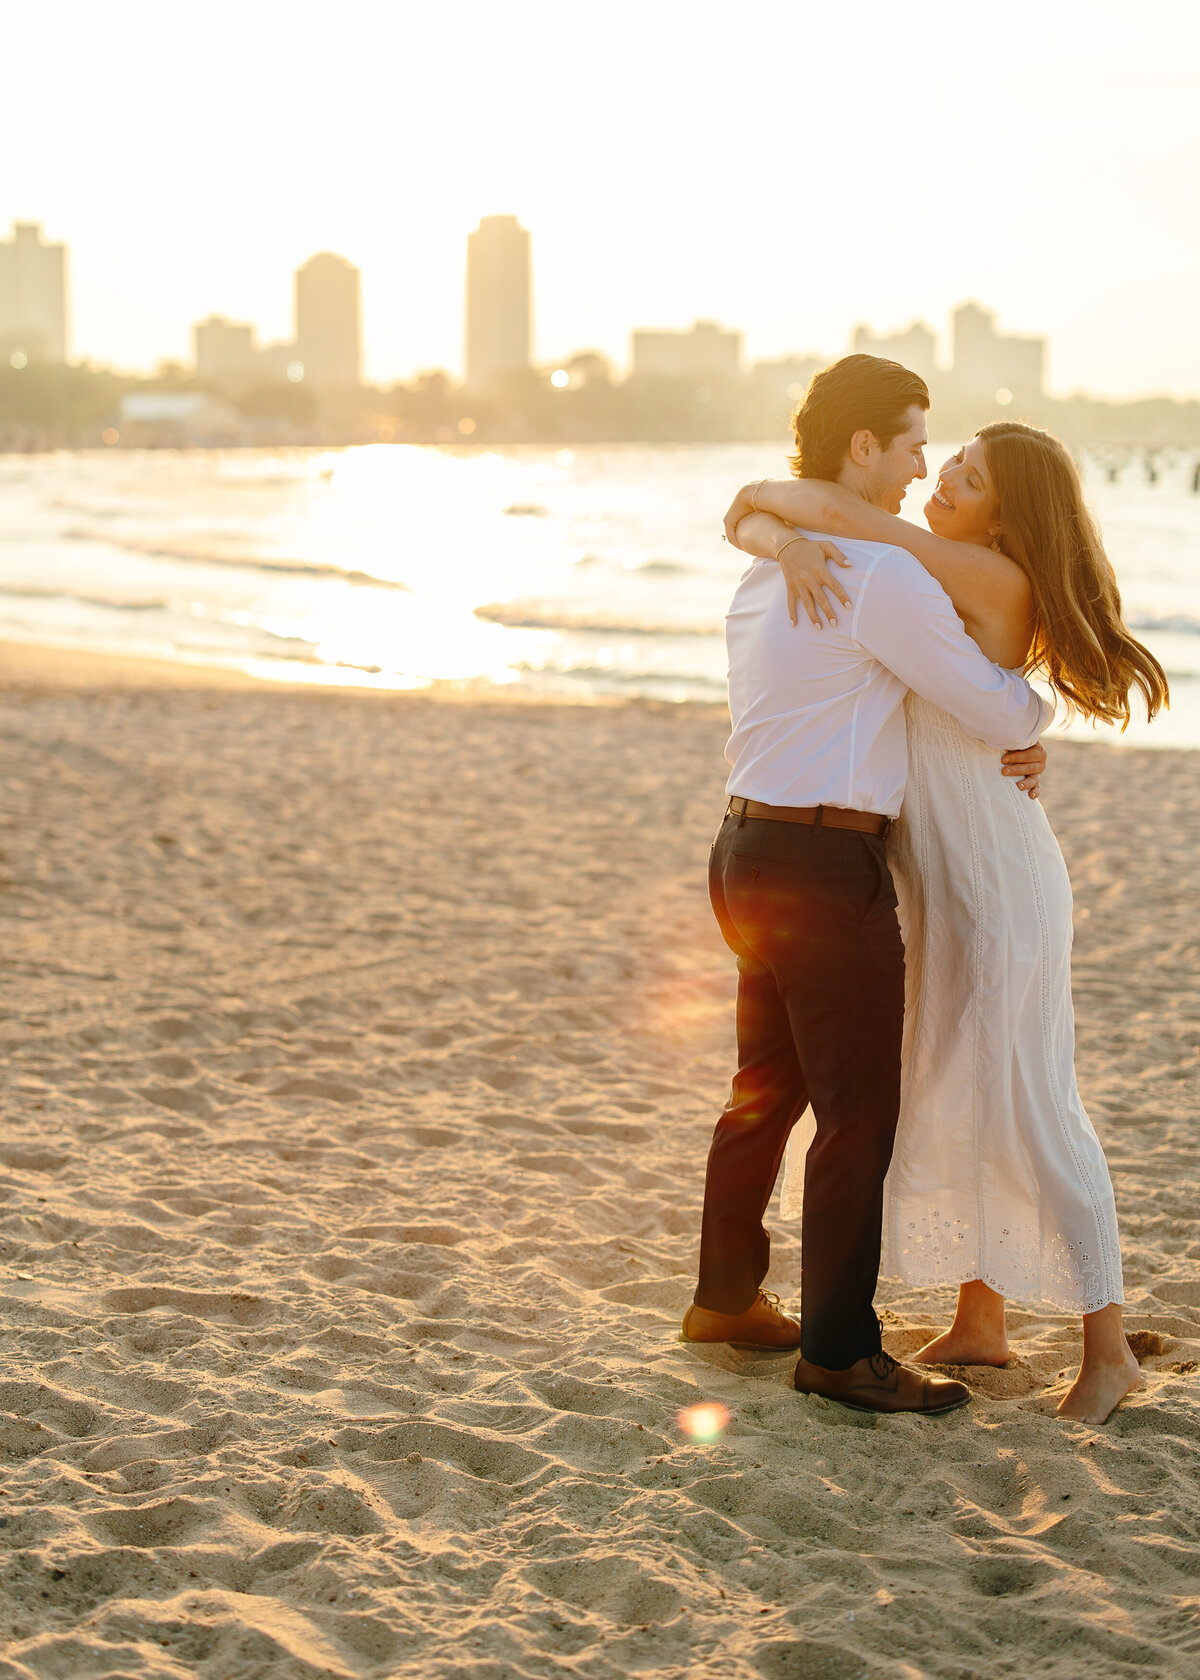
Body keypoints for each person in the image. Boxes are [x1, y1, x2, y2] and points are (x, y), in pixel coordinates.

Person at [723, 416, 1168, 1425]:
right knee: (965, 1093)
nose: (942, 481)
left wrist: (776, 515)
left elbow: (827, 507)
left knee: (1035, 1105)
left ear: (1010, 515)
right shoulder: (949, 576)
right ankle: (982, 1321)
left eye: (966, 477)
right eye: (948, 463)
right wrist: (776, 533)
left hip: (1000, 885)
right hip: (944, 879)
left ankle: (1109, 1352)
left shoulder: (977, 574)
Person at [683, 355, 1054, 1417]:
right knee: (858, 1116)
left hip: (743, 850)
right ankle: (841, 1351)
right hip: (822, 865)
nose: (922, 466)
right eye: (911, 444)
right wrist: (1038, 725)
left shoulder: (769, 570)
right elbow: (991, 706)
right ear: (862, 449)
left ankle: (725, 1299)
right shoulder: (878, 576)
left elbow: (754, 519)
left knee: (765, 1090)